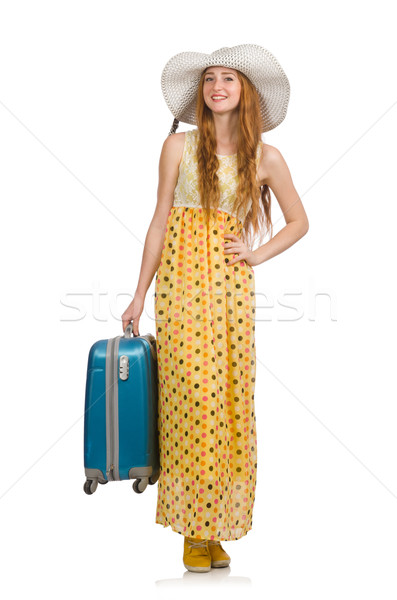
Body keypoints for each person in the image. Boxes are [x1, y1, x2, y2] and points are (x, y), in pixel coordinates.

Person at [121, 44, 309, 573]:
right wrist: (139, 293)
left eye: (228, 78)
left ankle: (216, 524)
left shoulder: (265, 158)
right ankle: (193, 530)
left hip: (229, 292)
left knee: (227, 400)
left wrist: (256, 253)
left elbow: (299, 222)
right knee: (189, 402)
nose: (217, 86)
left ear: (245, 91)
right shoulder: (177, 145)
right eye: (209, 79)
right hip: (180, 288)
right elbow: (160, 221)